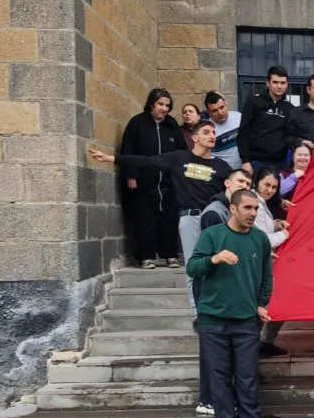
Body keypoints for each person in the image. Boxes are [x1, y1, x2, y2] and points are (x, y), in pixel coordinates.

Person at [89, 120, 234, 316]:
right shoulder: (179, 157)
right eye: (207, 132)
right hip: (190, 219)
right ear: (194, 137)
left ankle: (220, 310)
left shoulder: (222, 166)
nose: (212, 136)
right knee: (194, 268)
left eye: (214, 133)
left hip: (215, 220)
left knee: (218, 266)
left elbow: (234, 191)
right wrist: (111, 158)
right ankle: (198, 314)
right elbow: (146, 161)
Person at [186, 189, 274, 418]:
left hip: (246, 320)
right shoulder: (213, 235)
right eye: (247, 208)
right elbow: (192, 268)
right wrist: (214, 259)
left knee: (247, 376)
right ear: (233, 209)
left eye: (256, 208)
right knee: (218, 377)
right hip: (212, 320)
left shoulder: (260, 239)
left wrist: (261, 304)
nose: (253, 213)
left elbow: (266, 277)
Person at [119, 88, 186, 269]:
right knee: (145, 219)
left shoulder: (171, 125)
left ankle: (170, 255)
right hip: (144, 180)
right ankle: (146, 257)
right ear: (151, 104)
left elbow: (182, 151)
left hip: (168, 182)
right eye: (160, 104)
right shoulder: (137, 123)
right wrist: (131, 175)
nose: (164, 108)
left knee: (169, 219)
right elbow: (128, 150)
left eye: (167, 105)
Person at [252, 167, 291, 358]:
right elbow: (261, 239)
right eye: (266, 185)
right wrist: (283, 234)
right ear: (256, 182)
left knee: (276, 303)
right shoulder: (253, 203)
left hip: (265, 264)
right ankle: (252, 354)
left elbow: (262, 229)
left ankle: (264, 344)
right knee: (261, 310)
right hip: (255, 265)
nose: (270, 190)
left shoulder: (262, 202)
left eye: (274, 187)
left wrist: (276, 224)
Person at [238, 66, 294, 174]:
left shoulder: (290, 109)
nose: (279, 86)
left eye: (282, 83)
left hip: (280, 164)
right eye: (275, 82)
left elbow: (290, 136)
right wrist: (245, 161)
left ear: (287, 84)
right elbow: (243, 133)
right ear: (268, 83)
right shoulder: (253, 102)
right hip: (256, 163)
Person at [204, 91, 244, 169]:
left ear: (226, 104)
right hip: (223, 172)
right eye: (214, 110)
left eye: (221, 107)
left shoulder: (238, 117)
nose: (220, 112)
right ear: (209, 112)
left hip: (245, 169)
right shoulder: (206, 129)